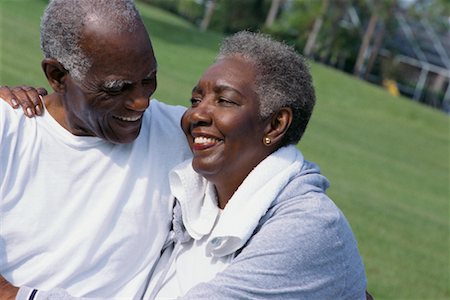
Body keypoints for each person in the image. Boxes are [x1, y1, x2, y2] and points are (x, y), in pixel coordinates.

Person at [4, 31, 369, 299]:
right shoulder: (198, 191)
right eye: (196, 98)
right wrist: (51, 101)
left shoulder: (307, 228)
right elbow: (88, 108)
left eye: (224, 101)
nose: (197, 114)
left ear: (275, 125)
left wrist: (16, 295)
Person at [0, 0, 191, 299]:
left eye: (148, 80)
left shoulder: (188, 134)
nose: (141, 102)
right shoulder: (8, 129)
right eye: (117, 87)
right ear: (57, 77)